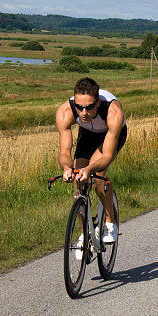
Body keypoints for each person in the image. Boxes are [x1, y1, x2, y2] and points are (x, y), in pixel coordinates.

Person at [56, 77, 127, 244]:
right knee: (78, 181)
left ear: (98, 103)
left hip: (110, 135)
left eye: (89, 107)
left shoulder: (113, 111)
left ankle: (110, 223)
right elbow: (64, 152)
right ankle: (84, 234)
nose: (84, 113)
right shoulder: (65, 111)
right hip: (87, 133)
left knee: (98, 176)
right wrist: (67, 168)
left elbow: (106, 156)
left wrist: (89, 169)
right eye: (80, 108)